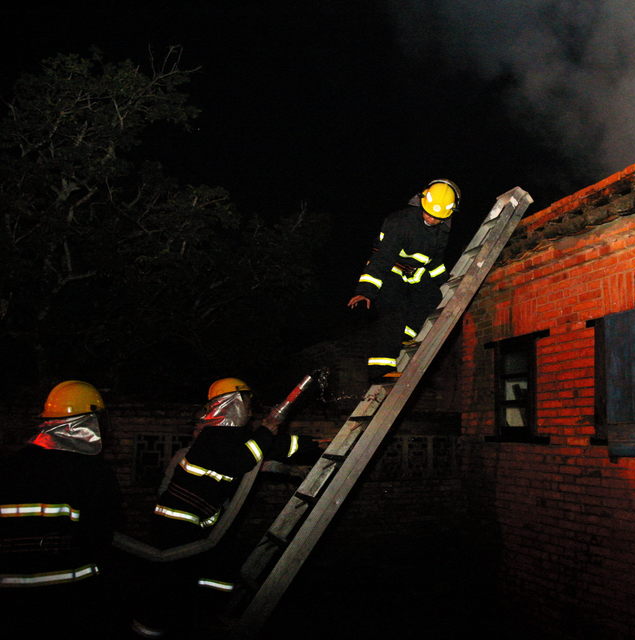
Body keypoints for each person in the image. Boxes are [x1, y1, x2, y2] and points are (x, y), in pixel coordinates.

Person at [131, 377, 324, 638]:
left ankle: (208, 616)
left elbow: (270, 447)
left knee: (217, 570)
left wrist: (316, 445)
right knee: (175, 578)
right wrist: (266, 429)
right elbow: (244, 458)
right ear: (233, 403)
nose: (249, 408)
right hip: (178, 523)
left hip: (201, 523)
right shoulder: (214, 437)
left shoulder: (231, 436)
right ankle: (152, 626)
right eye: (245, 401)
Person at [0, 380, 122, 638]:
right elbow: (105, 534)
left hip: (10, 605)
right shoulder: (95, 474)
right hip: (70, 602)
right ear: (89, 421)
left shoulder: (9, 468)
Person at [348, 179, 460, 383]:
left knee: (432, 297)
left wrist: (445, 280)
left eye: (437, 217)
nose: (431, 219)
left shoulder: (442, 229)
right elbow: (382, 258)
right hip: (390, 270)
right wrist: (366, 290)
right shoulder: (401, 222)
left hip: (413, 274)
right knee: (393, 311)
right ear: (421, 201)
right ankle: (379, 370)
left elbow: (434, 260)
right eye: (428, 213)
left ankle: (404, 336)